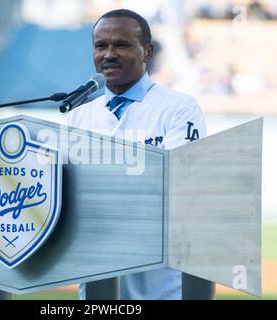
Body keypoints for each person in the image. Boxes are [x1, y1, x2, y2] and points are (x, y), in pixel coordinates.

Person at [67, 9, 206, 300]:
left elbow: (176, 184)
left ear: (147, 52)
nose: (108, 54)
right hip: (96, 280)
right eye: (100, 45)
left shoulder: (179, 109)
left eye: (121, 45)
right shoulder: (79, 117)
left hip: (161, 286)